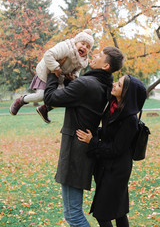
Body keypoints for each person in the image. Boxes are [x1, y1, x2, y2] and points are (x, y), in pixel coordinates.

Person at [43, 46, 124, 226]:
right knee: (72, 212)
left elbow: (50, 99)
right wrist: (73, 81)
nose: (94, 55)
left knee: (73, 214)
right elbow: (83, 99)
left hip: (75, 153)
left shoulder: (87, 84)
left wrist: (53, 74)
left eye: (100, 55)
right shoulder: (103, 85)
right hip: (84, 151)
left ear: (105, 66)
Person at [76, 75, 147, 227]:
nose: (114, 85)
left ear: (126, 93)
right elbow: (110, 132)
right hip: (106, 167)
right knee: (119, 212)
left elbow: (115, 149)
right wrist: (96, 133)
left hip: (117, 171)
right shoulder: (113, 106)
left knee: (103, 215)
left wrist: (92, 141)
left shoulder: (130, 120)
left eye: (119, 85)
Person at [9, 29, 94, 123]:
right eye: (82, 43)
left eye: (88, 47)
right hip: (46, 72)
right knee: (40, 96)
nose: (84, 47)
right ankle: (21, 100)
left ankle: (45, 108)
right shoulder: (66, 47)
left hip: (58, 79)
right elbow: (48, 55)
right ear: (76, 42)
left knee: (66, 98)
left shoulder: (82, 61)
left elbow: (77, 70)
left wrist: (74, 77)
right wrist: (56, 68)